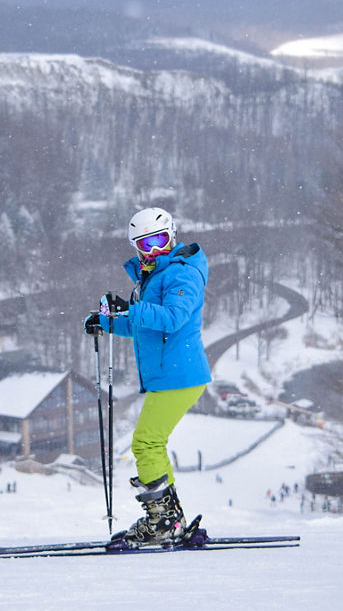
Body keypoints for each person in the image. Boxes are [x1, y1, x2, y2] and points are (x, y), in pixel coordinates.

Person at [84, 207, 211, 546]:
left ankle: (164, 521)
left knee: (146, 443)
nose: (153, 250)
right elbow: (145, 326)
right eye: (144, 244)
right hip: (169, 375)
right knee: (153, 443)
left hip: (180, 374)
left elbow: (172, 318)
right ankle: (172, 519)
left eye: (159, 240)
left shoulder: (182, 273)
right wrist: (107, 321)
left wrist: (129, 307)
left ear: (172, 234)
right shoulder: (153, 276)